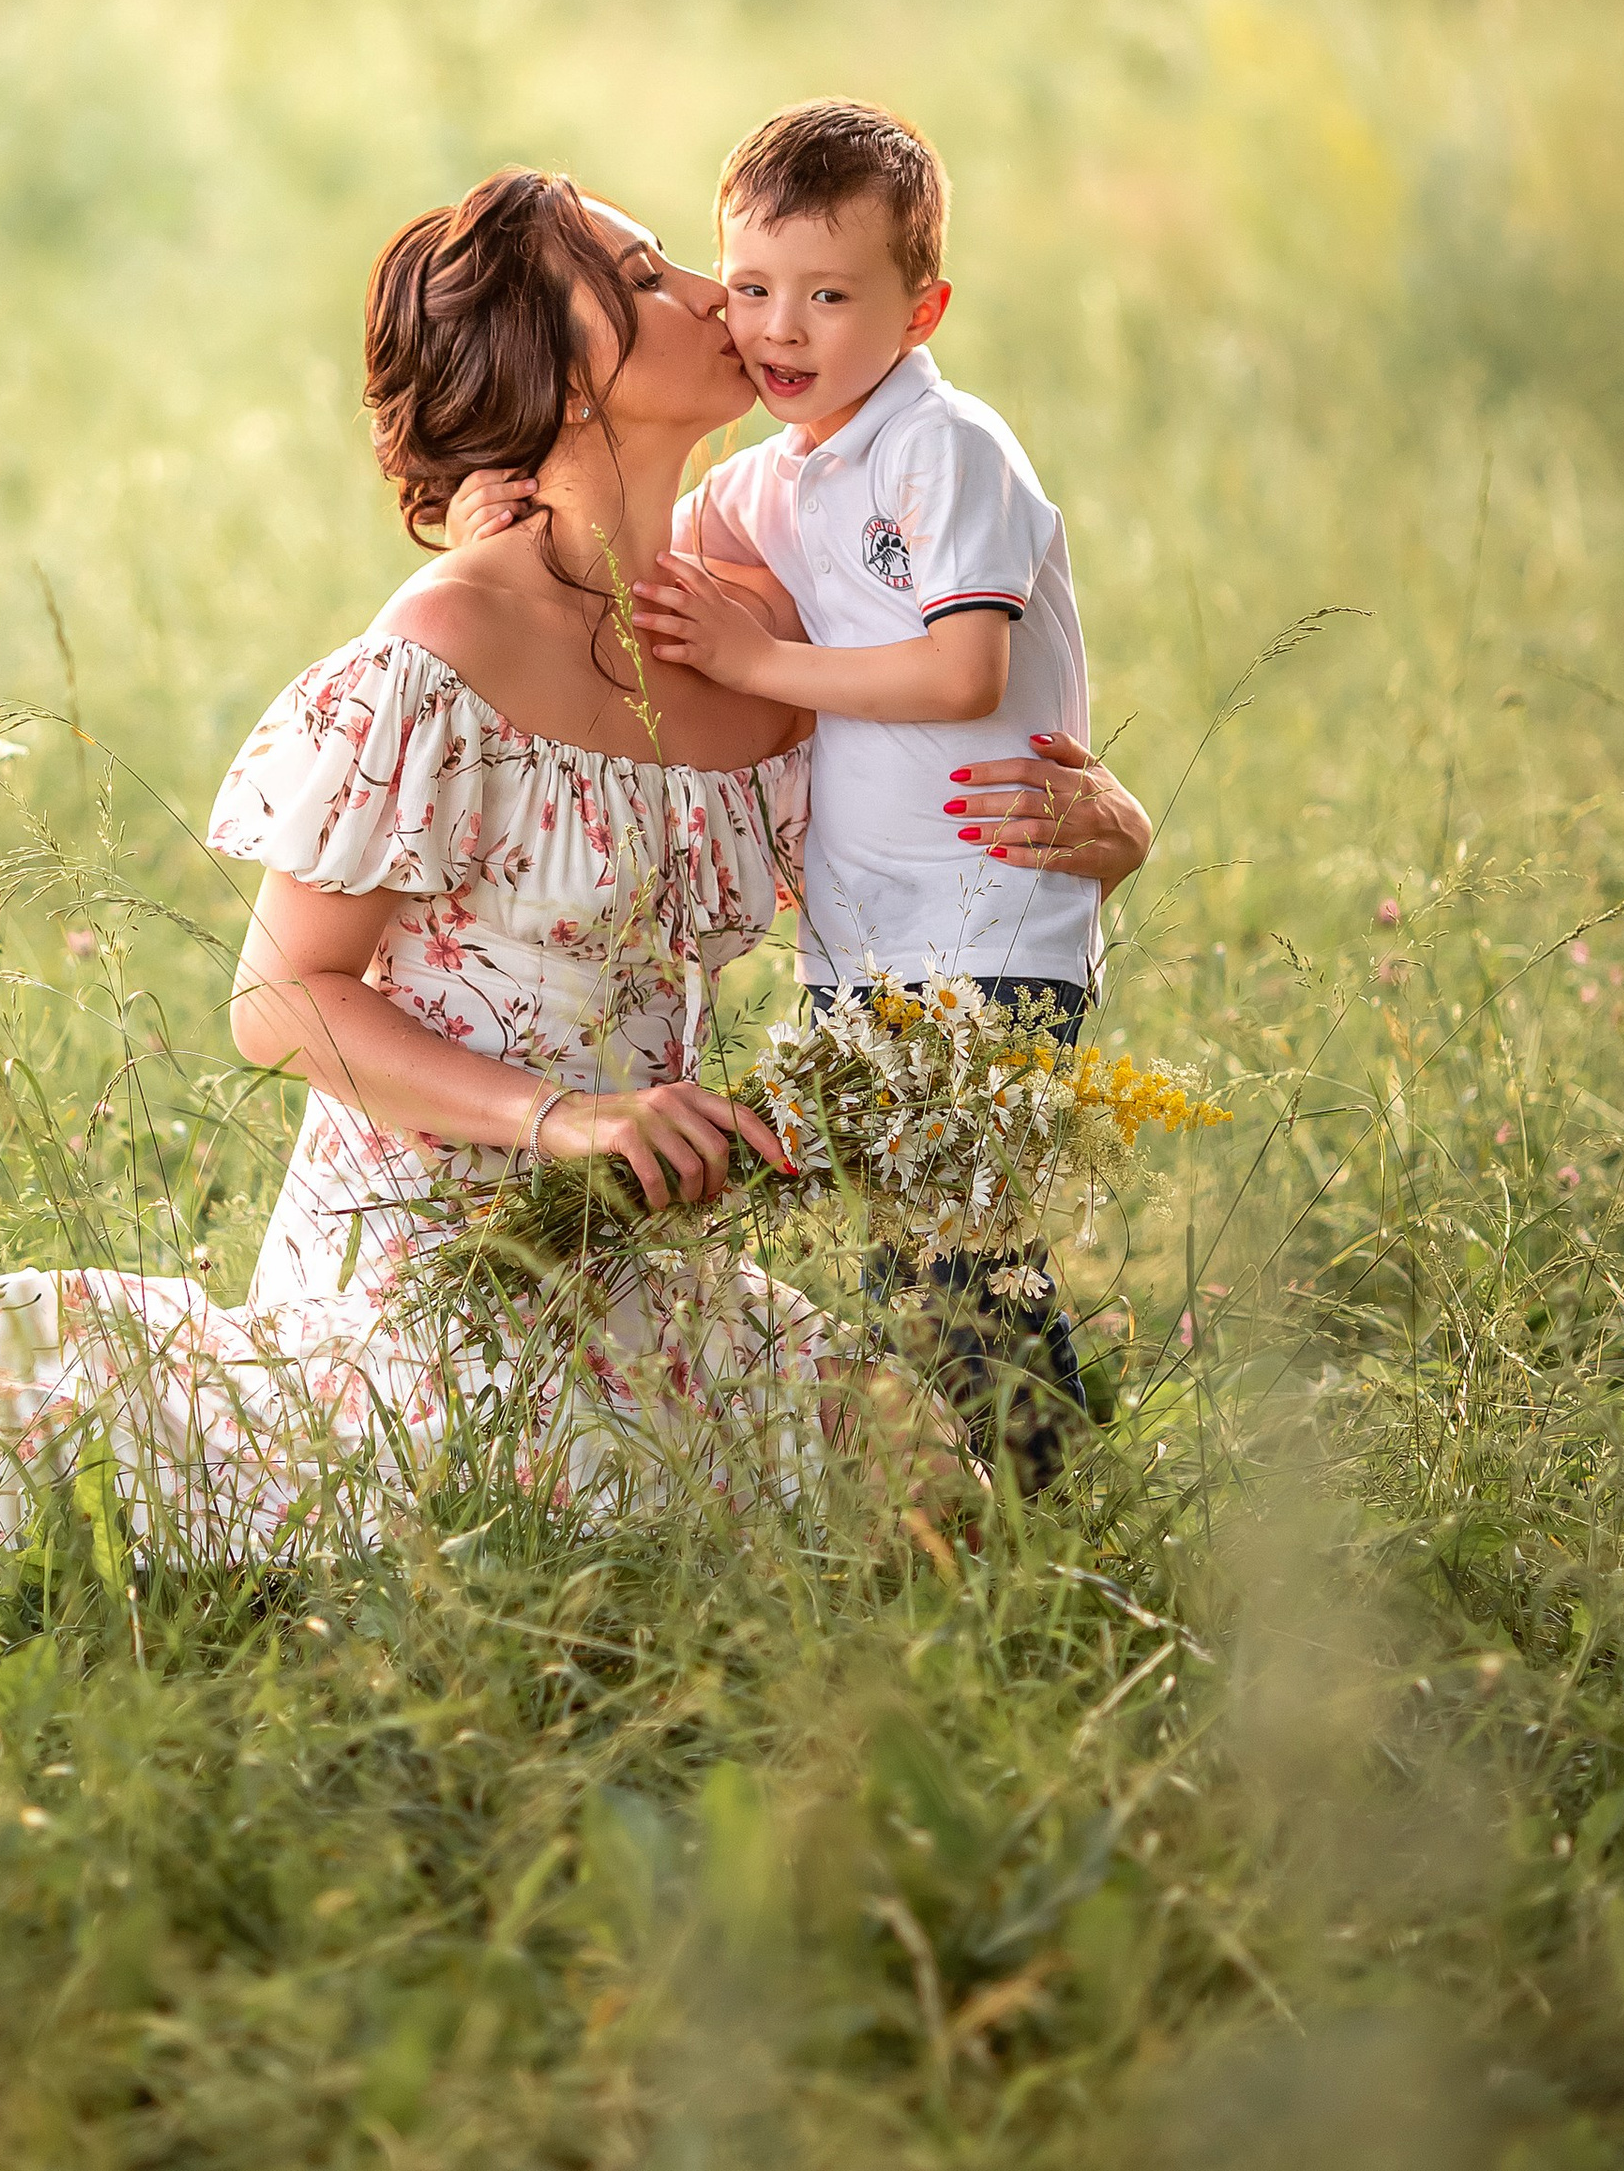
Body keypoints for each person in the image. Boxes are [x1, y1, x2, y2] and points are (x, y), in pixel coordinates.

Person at [0, 168, 1131, 1560]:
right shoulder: (447, 645)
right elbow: (281, 997)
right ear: (556, 384)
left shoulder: (756, 618)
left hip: (629, 1243)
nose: (711, 296)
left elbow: (932, 779)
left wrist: (1114, 827)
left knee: (944, 1505)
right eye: (645, 277)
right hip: (435, 1252)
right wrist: (570, 1118)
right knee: (557, 1522)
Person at [454, 101, 1151, 1483]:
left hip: (986, 925)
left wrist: (765, 654)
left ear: (924, 305)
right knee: (908, 1268)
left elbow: (963, 670)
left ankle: (1053, 1511)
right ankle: (988, 1503)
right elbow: (637, 547)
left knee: (963, 1268)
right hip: (866, 945)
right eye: (755, 285)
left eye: (830, 296)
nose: (779, 326)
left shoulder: (945, 449)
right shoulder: (772, 479)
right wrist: (512, 507)